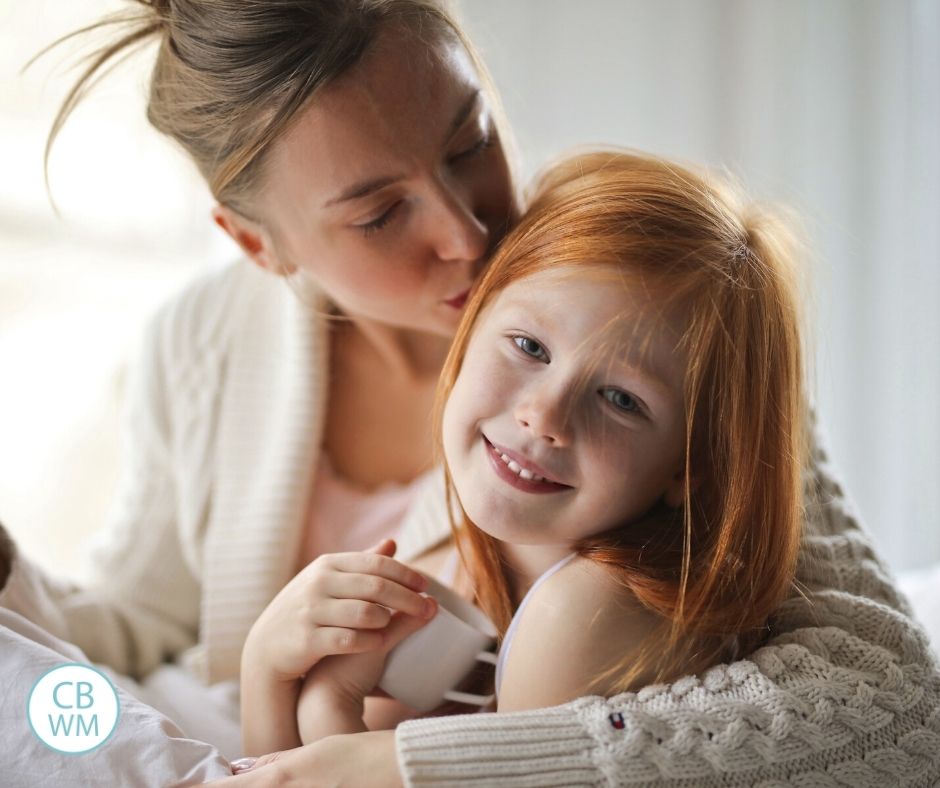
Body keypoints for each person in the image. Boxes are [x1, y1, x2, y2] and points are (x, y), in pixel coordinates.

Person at [2, 0, 938, 785]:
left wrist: (407, 765)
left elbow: (893, 705)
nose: (468, 229)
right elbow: (131, 626)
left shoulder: (644, 306)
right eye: (379, 213)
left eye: (469, 142)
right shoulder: (203, 339)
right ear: (259, 246)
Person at [244, 148, 808, 749]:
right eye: (529, 346)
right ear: (468, 328)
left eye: (621, 399)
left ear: (689, 466)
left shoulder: (585, 616)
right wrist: (268, 673)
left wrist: (325, 702)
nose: (543, 417)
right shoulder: (463, 561)